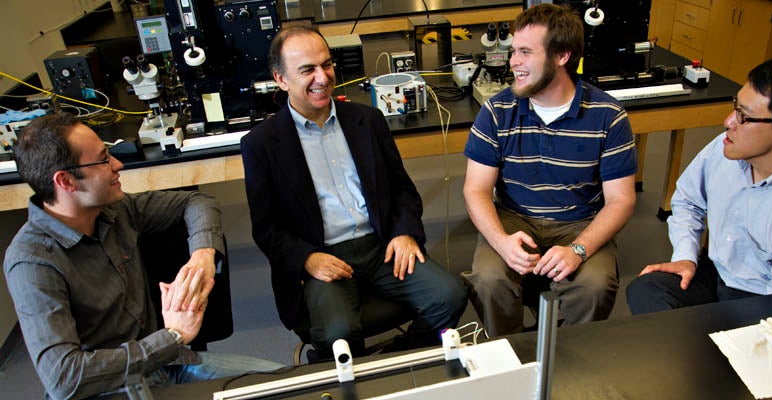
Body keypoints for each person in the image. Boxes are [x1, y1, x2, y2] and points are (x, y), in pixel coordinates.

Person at [4, 113, 282, 399]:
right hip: (107, 391)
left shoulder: (114, 209)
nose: (118, 164)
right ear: (66, 181)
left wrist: (203, 253)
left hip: (168, 366)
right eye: (103, 160)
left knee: (286, 385)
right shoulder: (32, 261)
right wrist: (172, 338)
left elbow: (197, 201)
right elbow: (65, 378)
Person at [240, 25, 467, 358]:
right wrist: (307, 258)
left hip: (380, 245)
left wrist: (403, 233)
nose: (322, 77)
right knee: (339, 333)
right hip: (323, 254)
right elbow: (266, 228)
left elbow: (402, 190)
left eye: (326, 64)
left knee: (451, 295)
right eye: (307, 70)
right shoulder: (260, 144)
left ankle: (397, 359)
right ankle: (344, 369)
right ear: (281, 79)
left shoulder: (367, 120)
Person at [461, 3, 637, 337]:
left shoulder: (608, 116)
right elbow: (476, 189)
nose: (513, 62)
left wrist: (578, 250)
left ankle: (568, 355)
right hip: (513, 216)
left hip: (580, 220)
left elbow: (621, 200)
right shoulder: (497, 111)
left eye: (525, 52)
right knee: (489, 278)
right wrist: (501, 242)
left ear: (562, 56)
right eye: (513, 51)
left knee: (595, 286)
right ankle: (510, 351)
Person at [626, 57, 772, 315]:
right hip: (718, 271)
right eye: (736, 106)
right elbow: (688, 200)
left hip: (765, 297)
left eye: (744, 116)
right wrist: (685, 257)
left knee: (709, 337)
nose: (728, 122)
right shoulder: (726, 147)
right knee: (646, 290)